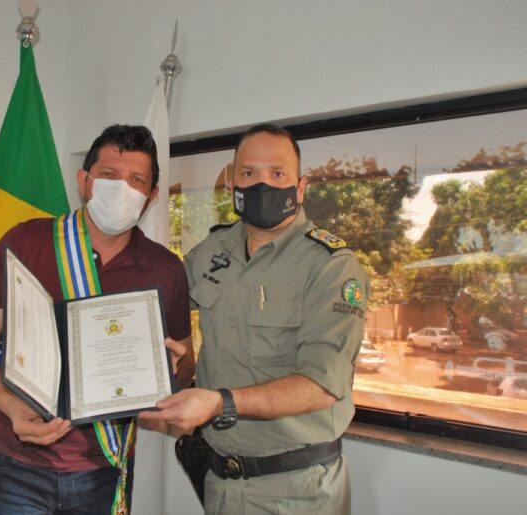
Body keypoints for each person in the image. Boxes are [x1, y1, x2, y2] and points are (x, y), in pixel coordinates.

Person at [0, 124, 195, 514]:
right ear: (84, 181)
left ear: (151, 197)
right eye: (109, 175)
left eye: (137, 180)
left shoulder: (166, 269)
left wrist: (173, 368)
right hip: (18, 467)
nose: (123, 188)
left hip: (106, 469)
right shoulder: (24, 243)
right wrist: (11, 406)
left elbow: (185, 369)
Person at [140, 124, 368, 514]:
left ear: (300, 188)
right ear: (233, 187)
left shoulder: (331, 267)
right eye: (248, 174)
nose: (262, 184)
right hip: (220, 481)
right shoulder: (215, 249)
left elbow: (320, 385)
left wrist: (219, 404)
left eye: (277, 174)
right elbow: (162, 302)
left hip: (296, 490)